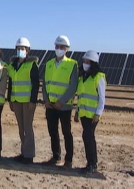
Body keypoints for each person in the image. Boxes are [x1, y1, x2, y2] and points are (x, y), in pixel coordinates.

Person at [42, 35, 78, 169]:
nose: (59, 49)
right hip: (50, 105)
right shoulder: (49, 64)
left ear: (67, 49)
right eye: (57, 46)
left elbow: (73, 86)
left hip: (64, 106)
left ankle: (68, 160)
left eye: (62, 47)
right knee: (52, 131)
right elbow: (45, 83)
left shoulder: (72, 64)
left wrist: (61, 101)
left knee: (66, 132)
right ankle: (56, 156)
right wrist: (45, 99)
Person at [7, 37, 39, 164]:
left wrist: (33, 101)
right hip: (16, 100)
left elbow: (36, 84)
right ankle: (24, 152)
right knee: (21, 128)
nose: (20, 50)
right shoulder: (12, 65)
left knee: (27, 128)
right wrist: (9, 99)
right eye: (19, 48)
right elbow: (11, 83)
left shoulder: (32, 65)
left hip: (27, 102)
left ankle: (29, 155)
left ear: (28, 51)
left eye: (23, 49)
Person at [74, 50, 106, 174]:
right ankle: (90, 163)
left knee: (88, 136)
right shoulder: (82, 77)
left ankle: (92, 164)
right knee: (87, 137)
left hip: (93, 115)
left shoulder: (99, 77)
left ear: (93, 63)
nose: (85, 63)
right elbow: (80, 96)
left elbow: (102, 98)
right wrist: (77, 111)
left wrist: (98, 113)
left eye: (88, 62)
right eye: (84, 61)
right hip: (83, 114)